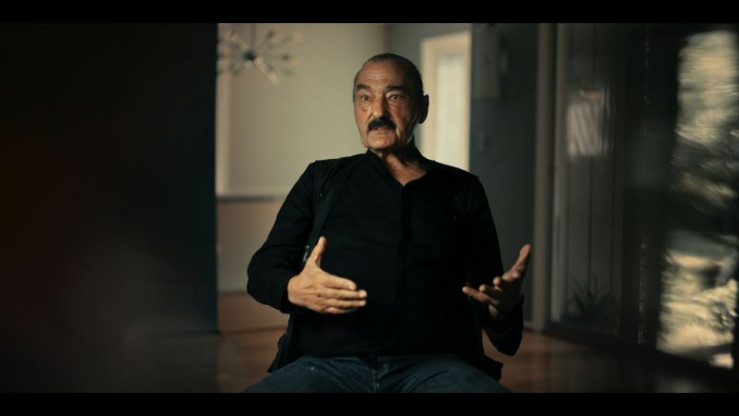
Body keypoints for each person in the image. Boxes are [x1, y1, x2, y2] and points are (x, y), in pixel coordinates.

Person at [245, 53, 531, 393]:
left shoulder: (462, 189)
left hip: (436, 366)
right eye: (365, 98)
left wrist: (504, 306)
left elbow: (491, 299)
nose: (377, 111)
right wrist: (294, 288)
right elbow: (262, 269)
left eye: (394, 97)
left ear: (423, 108)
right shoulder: (322, 179)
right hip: (326, 363)